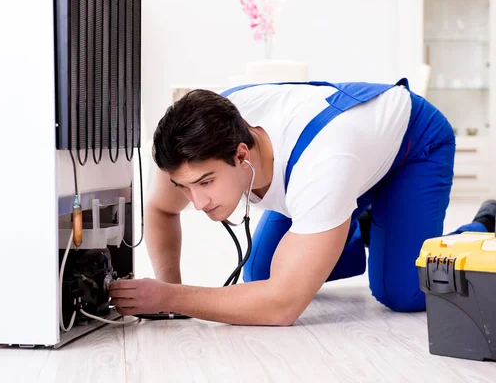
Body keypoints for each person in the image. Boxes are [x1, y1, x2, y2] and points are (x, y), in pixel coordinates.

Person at [108, 78, 496, 326]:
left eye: (206, 182)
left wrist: (172, 296)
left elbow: (282, 306)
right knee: (259, 278)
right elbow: (160, 208)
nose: (197, 201)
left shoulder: (323, 165)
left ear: (242, 155)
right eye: (185, 186)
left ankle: (486, 222)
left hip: (412, 145)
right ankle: (351, 222)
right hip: (340, 167)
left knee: (402, 293)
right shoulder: (190, 141)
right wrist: (168, 294)